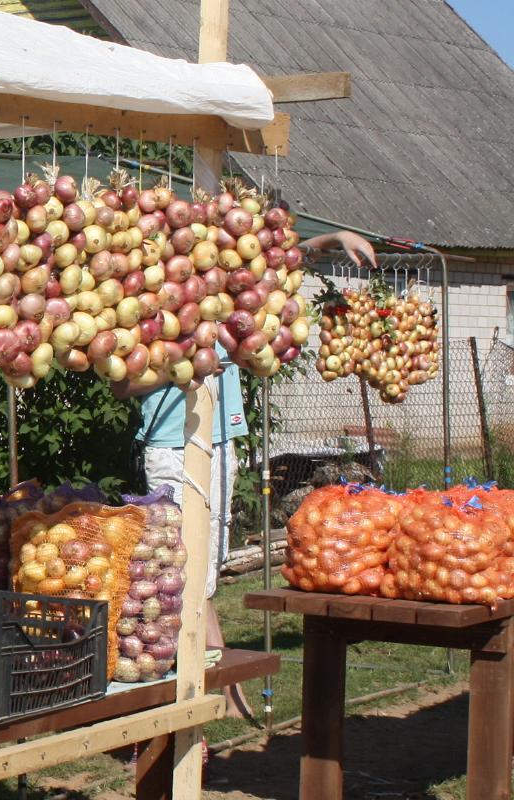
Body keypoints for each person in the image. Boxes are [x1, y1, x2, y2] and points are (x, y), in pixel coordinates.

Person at [130, 229, 375, 720]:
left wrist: (335, 237)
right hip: (172, 446)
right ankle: (199, 689)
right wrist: (179, 364)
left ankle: (217, 687)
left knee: (207, 572)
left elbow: (279, 256)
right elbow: (125, 386)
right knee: (181, 568)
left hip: (219, 443)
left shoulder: (228, 299)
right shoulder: (155, 303)